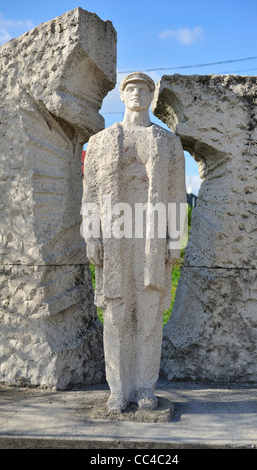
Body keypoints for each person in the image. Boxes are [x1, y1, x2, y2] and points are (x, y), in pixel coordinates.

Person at [82, 72, 186, 414]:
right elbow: (90, 194)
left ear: (151, 96)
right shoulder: (100, 141)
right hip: (115, 233)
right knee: (116, 313)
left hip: (151, 233)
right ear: (122, 96)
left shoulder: (168, 142)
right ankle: (118, 389)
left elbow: (177, 195)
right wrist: (91, 235)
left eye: (144, 89)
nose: (137, 94)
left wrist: (175, 241)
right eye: (131, 89)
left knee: (149, 313)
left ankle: (144, 388)